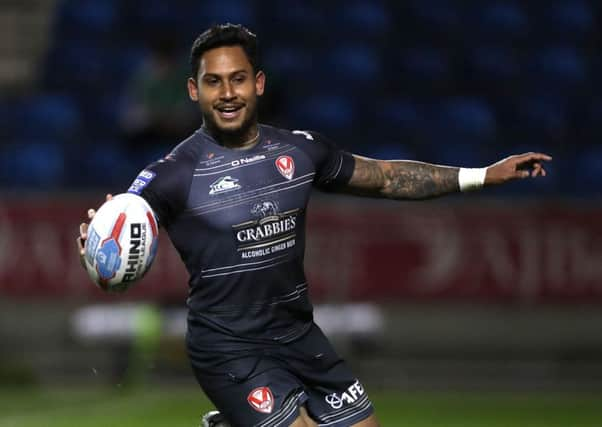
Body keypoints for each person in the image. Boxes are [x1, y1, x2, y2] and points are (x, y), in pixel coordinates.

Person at [77, 23, 551, 427]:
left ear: (258, 83)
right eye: (214, 82)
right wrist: (100, 240)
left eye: (238, 79)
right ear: (193, 89)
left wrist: (483, 175)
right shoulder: (175, 172)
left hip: (298, 334)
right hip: (228, 347)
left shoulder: (300, 151)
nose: (227, 94)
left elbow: (385, 178)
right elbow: (125, 222)